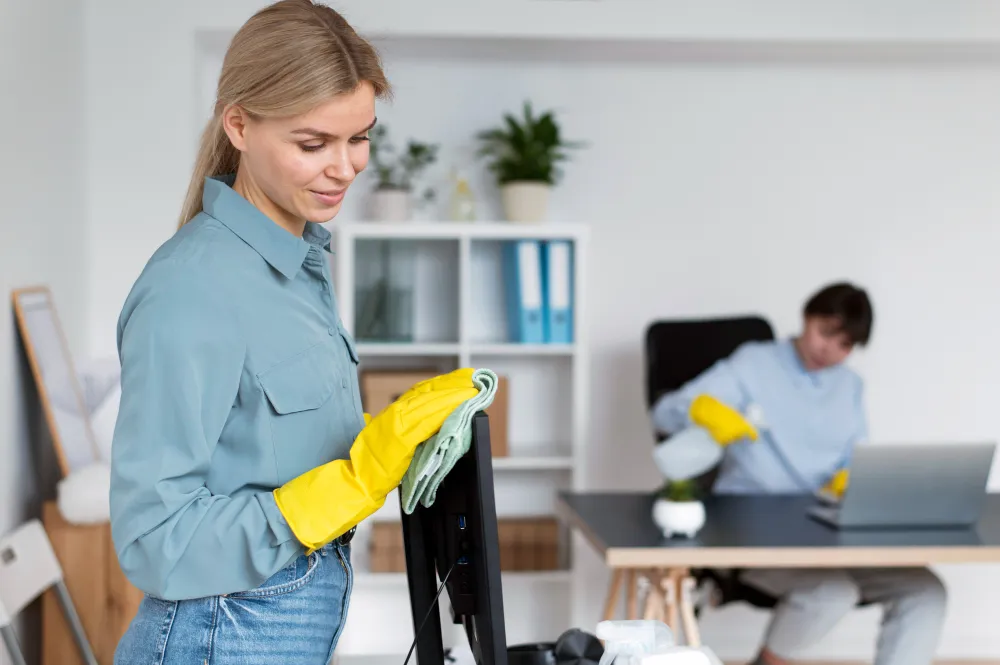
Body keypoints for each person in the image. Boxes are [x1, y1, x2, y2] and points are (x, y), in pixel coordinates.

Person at [108, 2, 477, 663]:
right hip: (219, 633)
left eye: (359, 137)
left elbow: (267, 445)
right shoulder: (192, 288)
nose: (346, 167)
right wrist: (339, 492)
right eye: (313, 144)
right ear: (239, 125)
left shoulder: (299, 265)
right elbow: (154, 537)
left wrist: (391, 444)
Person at [650, 282, 947, 665]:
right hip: (754, 526)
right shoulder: (754, 364)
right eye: (825, 332)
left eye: (844, 344)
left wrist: (853, 478)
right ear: (807, 317)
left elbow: (856, 456)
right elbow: (664, 413)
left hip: (827, 528)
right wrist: (700, 410)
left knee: (925, 591)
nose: (829, 349)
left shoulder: (850, 387)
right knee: (831, 592)